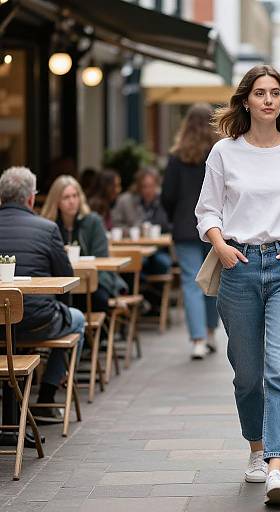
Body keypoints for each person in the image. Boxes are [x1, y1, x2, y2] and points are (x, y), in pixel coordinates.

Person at [195, 64, 280, 505]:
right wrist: (221, 246)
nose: (268, 100)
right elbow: (207, 211)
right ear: (246, 101)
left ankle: (276, 466)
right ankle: (255, 447)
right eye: (260, 93)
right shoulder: (224, 153)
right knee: (248, 375)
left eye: (275, 93)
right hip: (239, 266)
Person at [0, 167, 85, 422]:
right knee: (77, 319)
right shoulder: (47, 229)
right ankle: (47, 395)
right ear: (30, 199)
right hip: (38, 322)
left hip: (0, 325)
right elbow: (66, 278)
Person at [162, 104, 219, 360]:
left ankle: (197, 340)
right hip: (216, 227)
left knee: (191, 283)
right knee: (213, 280)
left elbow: (167, 196)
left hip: (185, 227)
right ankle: (210, 332)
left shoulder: (177, 158)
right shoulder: (218, 155)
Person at [41, 175, 127, 312]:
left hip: (92, 280)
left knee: (99, 299)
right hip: (61, 283)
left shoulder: (93, 221)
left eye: (75, 196)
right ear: (56, 201)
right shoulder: (48, 225)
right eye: (66, 197)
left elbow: (101, 257)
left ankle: (97, 332)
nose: (72, 201)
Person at [112, 167, 171, 275]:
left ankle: (154, 291)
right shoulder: (126, 201)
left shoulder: (163, 200)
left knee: (163, 263)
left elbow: (169, 225)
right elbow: (115, 225)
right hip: (133, 249)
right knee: (136, 263)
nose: (148, 190)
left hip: (158, 249)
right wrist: (132, 231)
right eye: (144, 187)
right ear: (138, 187)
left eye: (151, 186)